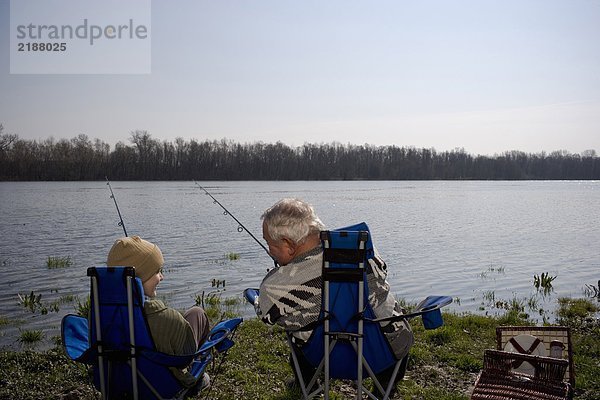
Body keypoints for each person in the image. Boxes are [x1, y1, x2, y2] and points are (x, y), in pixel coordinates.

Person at [256, 198, 414, 395]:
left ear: (288, 244)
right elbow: (382, 272)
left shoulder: (277, 285)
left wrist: (281, 273)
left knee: (298, 326)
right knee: (389, 316)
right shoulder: (363, 249)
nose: (269, 249)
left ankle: (308, 385)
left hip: (324, 357)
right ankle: (385, 391)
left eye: (269, 243)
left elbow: (265, 314)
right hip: (385, 354)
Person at [106, 235, 210, 388]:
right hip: (162, 386)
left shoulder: (102, 314)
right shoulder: (164, 317)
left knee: (193, 314)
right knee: (197, 313)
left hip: (116, 382)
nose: (162, 277)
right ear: (140, 277)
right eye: (157, 271)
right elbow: (187, 355)